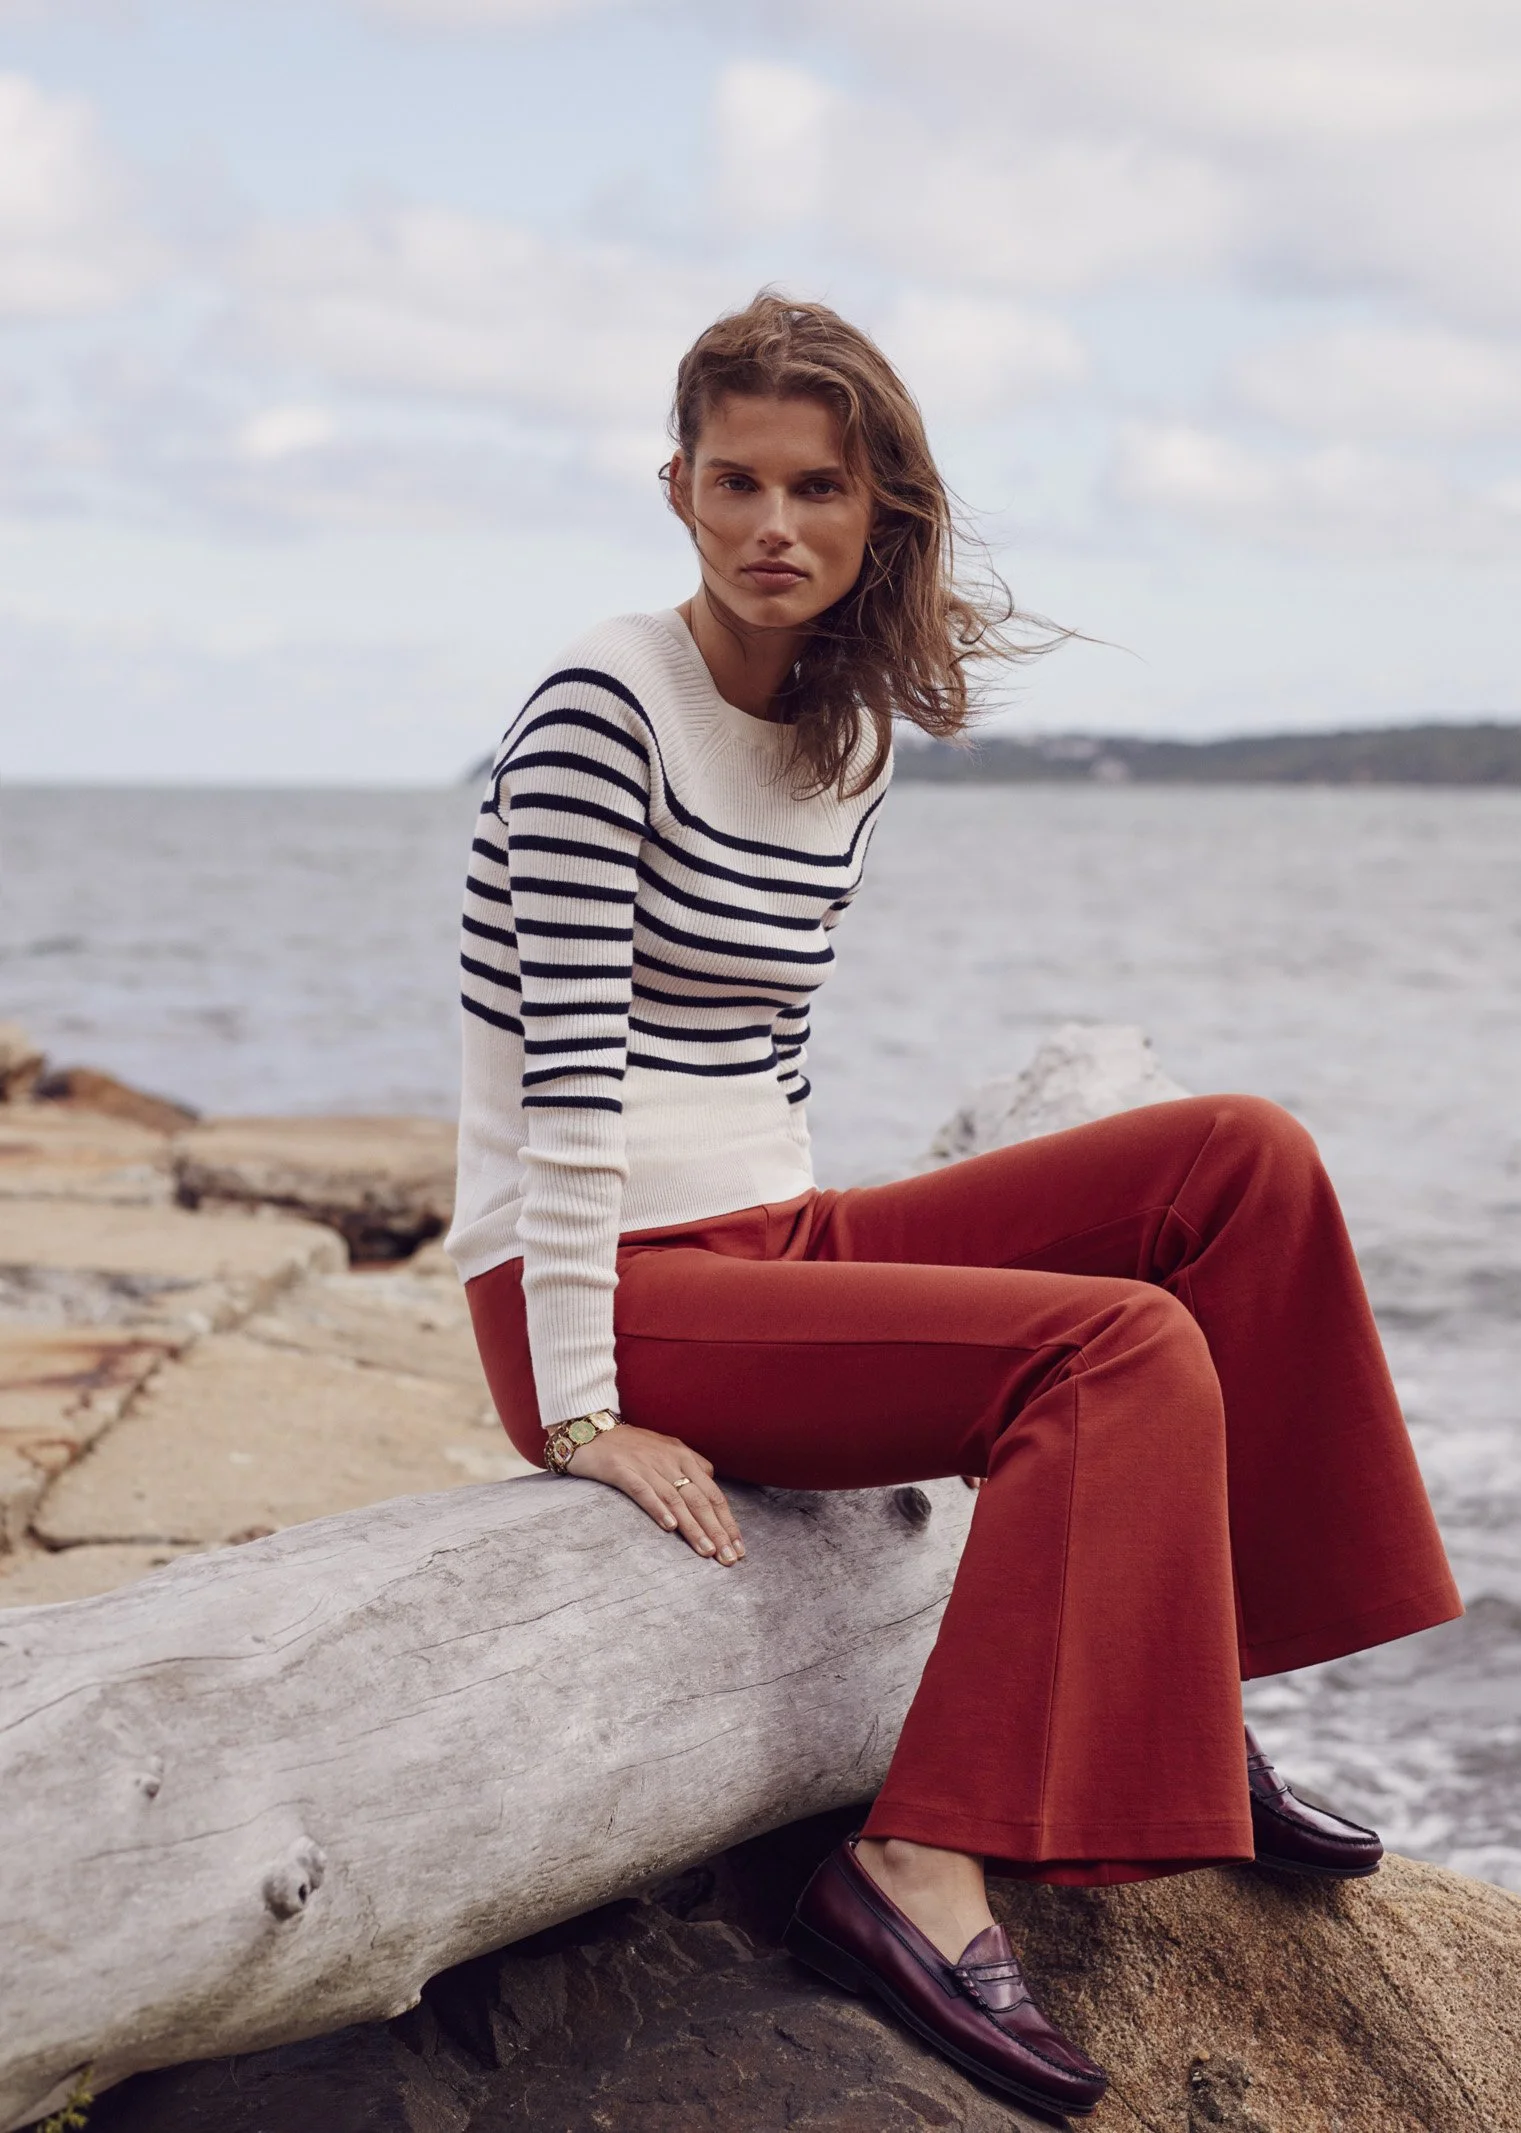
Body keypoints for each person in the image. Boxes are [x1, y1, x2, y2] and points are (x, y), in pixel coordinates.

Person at [444, 292, 1462, 2120]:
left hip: (766, 1240)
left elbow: (766, 1052)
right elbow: (571, 1081)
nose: (774, 526)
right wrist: (581, 1410)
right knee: (1115, 1353)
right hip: (589, 1284)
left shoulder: (845, 735)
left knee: (1241, 1158)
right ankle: (916, 1861)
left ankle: (1192, 1697)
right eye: (736, 483)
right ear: (674, 490)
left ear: (875, 508)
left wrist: (836, 1273)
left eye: (816, 488)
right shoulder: (610, 704)